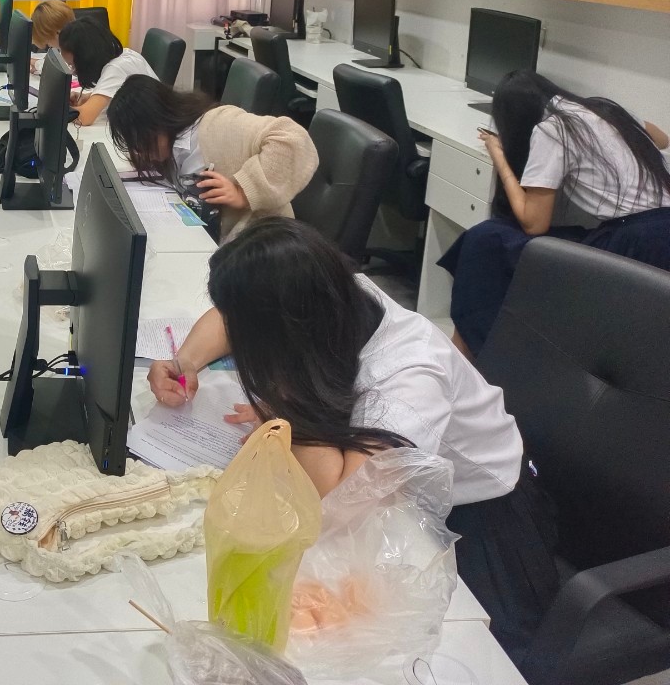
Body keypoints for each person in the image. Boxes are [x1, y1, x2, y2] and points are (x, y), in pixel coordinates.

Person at [147, 218, 557, 664]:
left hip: (483, 526)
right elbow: (234, 314)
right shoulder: (327, 296)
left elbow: (344, 502)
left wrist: (287, 402)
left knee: (468, 656)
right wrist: (185, 362)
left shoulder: (408, 381)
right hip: (399, 495)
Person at [438, 70, 670, 358]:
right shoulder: (607, 110)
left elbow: (534, 223)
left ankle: (472, 354)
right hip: (655, 234)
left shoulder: (552, 129)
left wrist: (500, 157)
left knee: (486, 241)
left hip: (636, 245)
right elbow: (663, 139)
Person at [107, 76, 318, 243]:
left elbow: (294, 139)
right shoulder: (172, 145)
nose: (139, 151)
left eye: (140, 141)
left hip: (261, 244)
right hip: (211, 242)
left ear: (158, 120)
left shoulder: (219, 126)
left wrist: (244, 191)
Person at [57, 20, 157, 126]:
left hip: (152, 127)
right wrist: (87, 97)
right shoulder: (123, 54)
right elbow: (115, 89)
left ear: (86, 59)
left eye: (73, 65)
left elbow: (84, 117)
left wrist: (57, 109)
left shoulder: (116, 68)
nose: (73, 71)